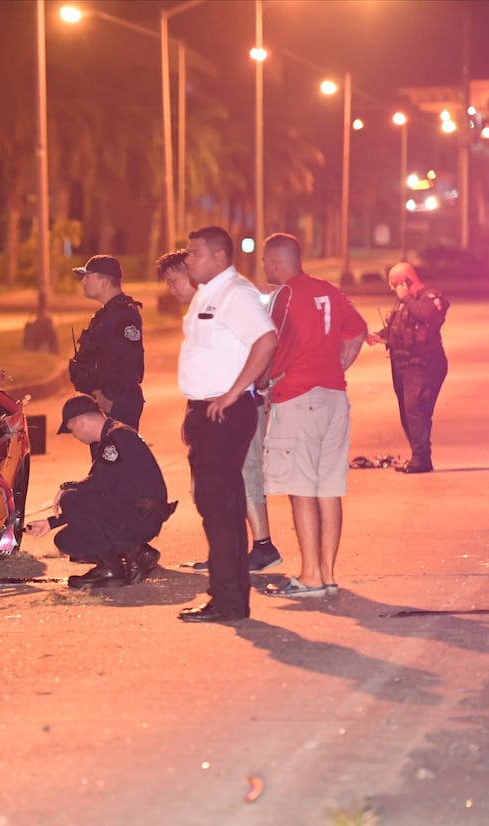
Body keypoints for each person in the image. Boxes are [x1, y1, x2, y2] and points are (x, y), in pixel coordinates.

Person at [174, 226, 277, 624]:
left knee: (219, 508)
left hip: (224, 413)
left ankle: (228, 600)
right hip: (205, 411)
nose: (188, 258)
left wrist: (235, 392)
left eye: (195, 252)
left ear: (220, 256)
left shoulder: (237, 294)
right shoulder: (208, 293)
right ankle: (227, 596)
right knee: (219, 507)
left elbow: (266, 340)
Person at [157, 250, 283, 575]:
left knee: (242, 475)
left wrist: (252, 388)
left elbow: (265, 342)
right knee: (214, 487)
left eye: (174, 280)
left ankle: (260, 547)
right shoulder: (202, 306)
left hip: (239, 405)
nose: (172, 288)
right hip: (211, 408)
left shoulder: (233, 297)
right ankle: (226, 555)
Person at [257, 233, 367, 598]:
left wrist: (264, 384)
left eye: (264, 261)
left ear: (276, 262)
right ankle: (326, 574)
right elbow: (357, 331)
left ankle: (309, 576)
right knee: (329, 487)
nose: (263, 267)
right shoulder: (330, 292)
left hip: (297, 397)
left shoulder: (285, 295)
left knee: (300, 487)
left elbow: (268, 342)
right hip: (334, 396)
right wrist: (338, 365)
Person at [25, 395, 175, 588]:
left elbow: (96, 488)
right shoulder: (114, 435)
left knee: (71, 498)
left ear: (81, 421)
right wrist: (51, 522)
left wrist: (66, 488)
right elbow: (100, 497)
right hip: (136, 514)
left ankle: (111, 569)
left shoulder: (117, 439)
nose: (75, 437)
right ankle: (136, 552)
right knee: (67, 540)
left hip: (141, 517)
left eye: (72, 430)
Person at [365, 261, 449, 473]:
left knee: (416, 410)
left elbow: (427, 315)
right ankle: (418, 455)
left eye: (395, 284)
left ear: (406, 281)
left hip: (423, 365)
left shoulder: (430, 297)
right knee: (408, 413)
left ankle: (421, 459)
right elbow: (401, 326)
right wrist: (380, 336)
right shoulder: (405, 302)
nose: (393, 290)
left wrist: (407, 297)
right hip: (402, 365)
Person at [67, 255, 145, 430]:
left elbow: (130, 364)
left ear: (104, 282)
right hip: (103, 400)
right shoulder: (106, 314)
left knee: (117, 455)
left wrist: (109, 399)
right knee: (102, 457)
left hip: (116, 402)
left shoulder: (124, 314)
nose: (83, 282)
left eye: (88, 277)